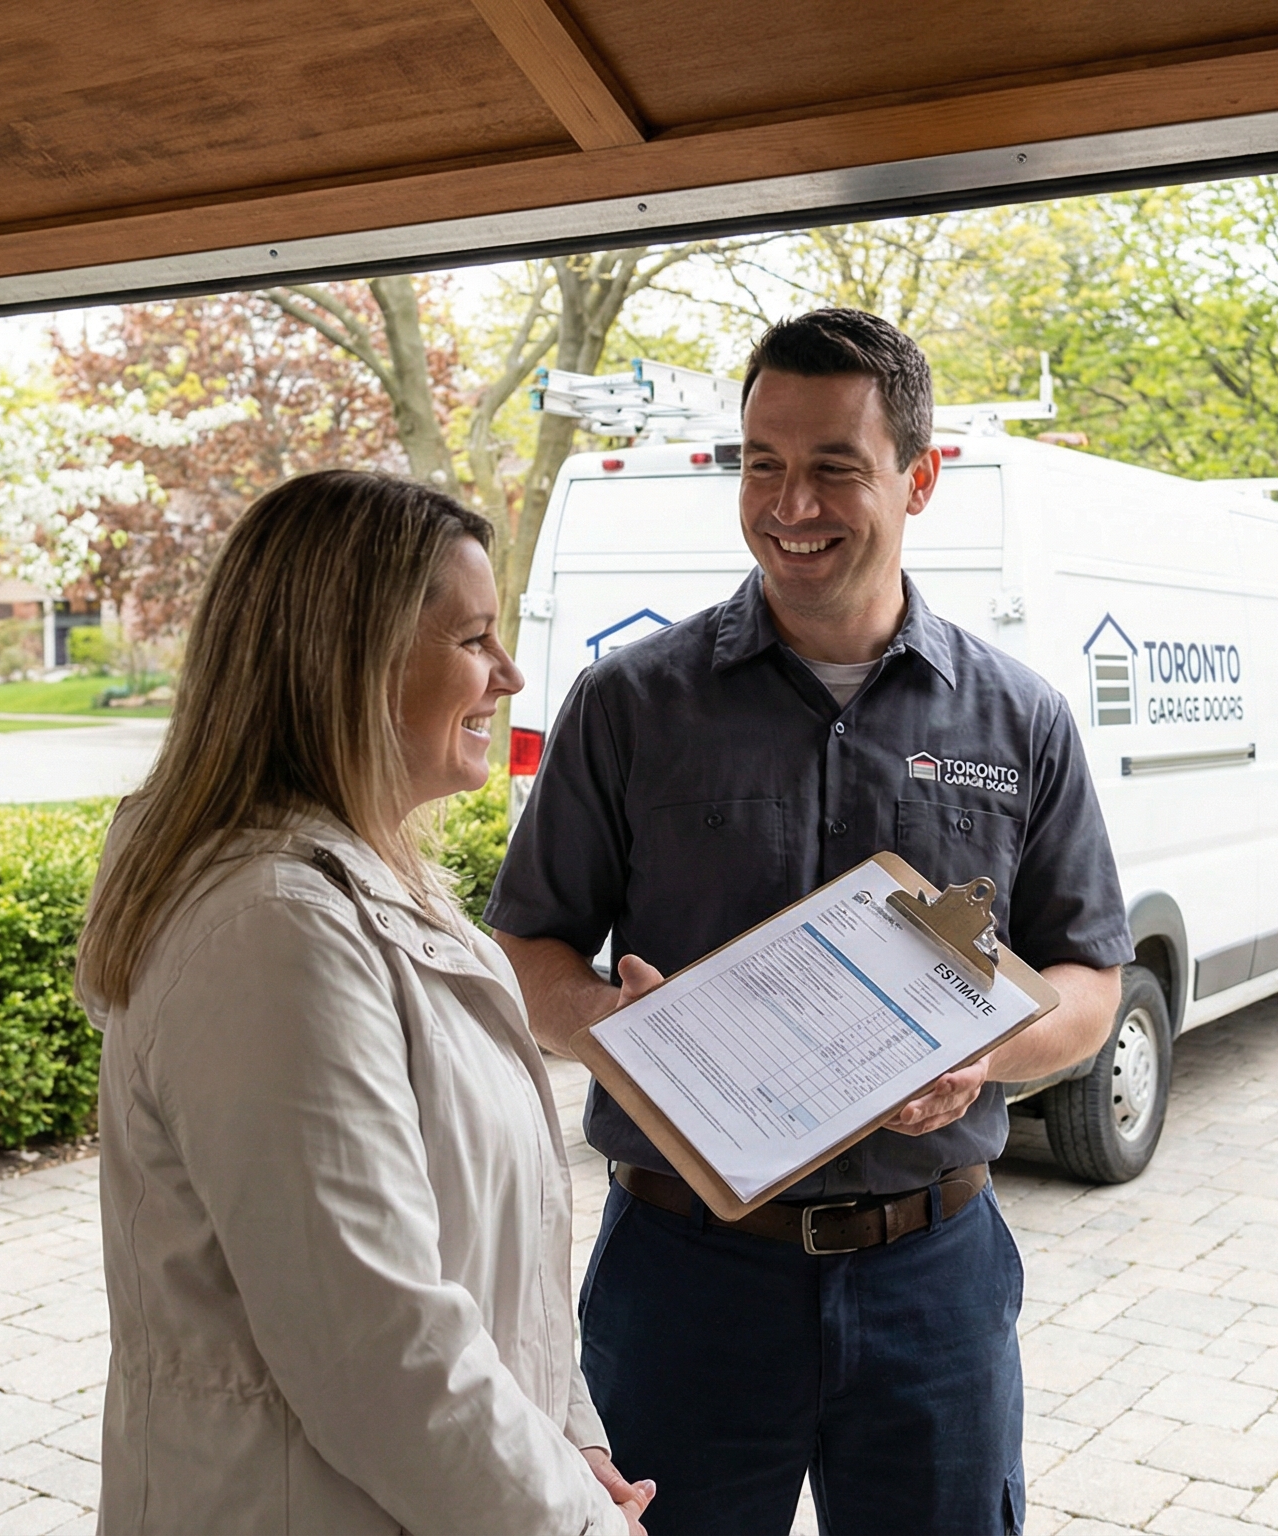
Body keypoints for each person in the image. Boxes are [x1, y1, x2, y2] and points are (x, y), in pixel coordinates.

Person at [490, 309, 1133, 1533]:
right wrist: (610, 1030)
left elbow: (1089, 980)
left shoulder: (1020, 719)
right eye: (761, 463)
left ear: (920, 476)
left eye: (834, 465)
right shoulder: (629, 704)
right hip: (684, 1275)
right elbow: (526, 952)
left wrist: (991, 1057)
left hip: (930, 1275)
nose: (791, 503)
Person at [76, 470, 652, 1535]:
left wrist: (573, 1448)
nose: (511, 674)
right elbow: (377, 1346)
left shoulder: (367, 884)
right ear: (352, 660)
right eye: (474, 639)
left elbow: (493, 1269)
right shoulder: (272, 931)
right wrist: (571, 1522)